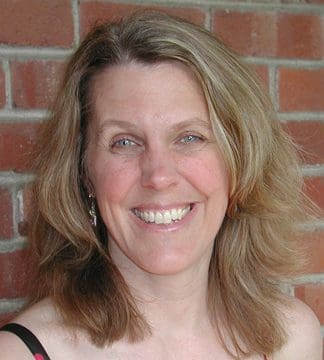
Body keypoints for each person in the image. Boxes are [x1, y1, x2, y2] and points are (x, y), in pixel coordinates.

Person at [0, 11, 321, 360]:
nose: (158, 176)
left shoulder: (291, 339)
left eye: (189, 137)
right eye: (124, 142)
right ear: (83, 171)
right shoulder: (22, 354)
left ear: (239, 160)